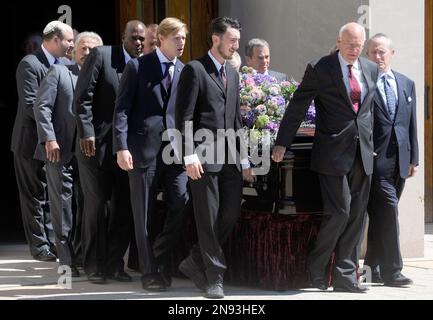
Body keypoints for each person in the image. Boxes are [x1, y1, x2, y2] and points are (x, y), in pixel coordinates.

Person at [272, 22, 379, 293]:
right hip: (332, 152)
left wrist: (372, 144)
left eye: (359, 45)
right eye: (350, 44)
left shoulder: (370, 69)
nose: (355, 50)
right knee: (340, 211)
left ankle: (345, 277)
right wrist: (282, 142)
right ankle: (316, 268)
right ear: (339, 42)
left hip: (362, 154)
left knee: (357, 216)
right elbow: (298, 105)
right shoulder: (321, 68)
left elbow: (368, 112)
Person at [175, 17, 254, 299]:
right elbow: (182, 117)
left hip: (230, 158)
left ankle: (195, 258)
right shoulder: (194, 70)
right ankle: (213, 277)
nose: (236, 45)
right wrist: (189, 155)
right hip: (203, 157)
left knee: (230, 212)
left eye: (237, 40)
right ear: (216, 39)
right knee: (207, 219)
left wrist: (244, 160)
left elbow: (235, 120)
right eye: (232, 40)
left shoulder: (232, 74)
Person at [114, 17, 189, 292]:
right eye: (177, 38)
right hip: (142, 150)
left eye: (184, 38)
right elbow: (121, 109)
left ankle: (158, 256)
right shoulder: (137, 66)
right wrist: (121, 146)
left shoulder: (184, 70)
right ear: (162, 38)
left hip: (175, 153)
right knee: (142, 214)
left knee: (181, 203)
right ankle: (150, 272)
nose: (182, 43)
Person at [74, 20, 145, 284]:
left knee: (124, 208)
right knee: (96, 206)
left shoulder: (142, 64)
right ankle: (93, 265)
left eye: (141, 39)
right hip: (94, 147)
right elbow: (83, 98)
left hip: (127, 149)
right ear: (123, 37)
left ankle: (115, 263)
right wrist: (87, 132)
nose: (138, 43)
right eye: (134, 38)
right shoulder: (102, 56)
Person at [33, 31, 103, 278]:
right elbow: (41, 106)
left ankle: (84, 255)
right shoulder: (60, 72)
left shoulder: (101, 79)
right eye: (82, 48)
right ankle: (66, 259)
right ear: (74, 51)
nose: (87, 53)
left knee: (89, 206)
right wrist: (48, 138)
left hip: (90, 155)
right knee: (63, 207)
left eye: (92, 49)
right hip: (60, 151)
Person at [11, 20, 74, 262]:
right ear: (55, 40)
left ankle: (57, 243)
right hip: (30, 142)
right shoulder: (30, 64)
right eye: (68, 40)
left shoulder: (67, 65)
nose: (71, 45)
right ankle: (40, 247)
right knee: (34, 196)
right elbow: (30, 105)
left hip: (57, 142)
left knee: (55, 196)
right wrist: (54, 124)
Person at [364, 33, 418, 287]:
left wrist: (413, 157)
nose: (378, 56)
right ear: (367, 55)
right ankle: (393, 271)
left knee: (380, 215)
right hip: (375, 162)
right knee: (388, 211)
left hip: (401, 161)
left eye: (382, 52)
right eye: (373, 52)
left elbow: (410, 123)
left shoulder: (406, 83)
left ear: (391, 53)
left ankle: (371, 267)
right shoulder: (363, 84)